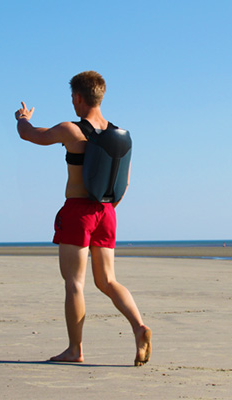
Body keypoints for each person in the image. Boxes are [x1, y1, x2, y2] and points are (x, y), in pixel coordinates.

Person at [15, 71, 152, 366]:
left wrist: (22, 117)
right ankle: (139, 326)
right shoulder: (120, 136)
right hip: (107, 212)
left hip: (78, 211)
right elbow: (124, 184)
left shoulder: (71, 130)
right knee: (108, 281)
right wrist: (106, 207)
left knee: (74, 283)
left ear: (77, 97)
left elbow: (29, 135)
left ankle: (75, 350)